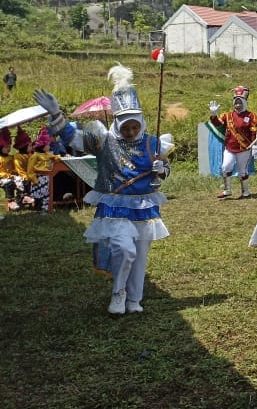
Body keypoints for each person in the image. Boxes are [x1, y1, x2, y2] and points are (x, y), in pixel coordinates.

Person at [34, 66, 173, 315]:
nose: (130, 132)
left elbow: (165, 171)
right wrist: (56, 113)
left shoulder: (153, 143)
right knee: (124, 249)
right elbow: (74, 138)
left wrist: (162, 169)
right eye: (125, 127)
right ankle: (119, 293)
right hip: (115, 206)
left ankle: (134, 299)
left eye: (134, 127)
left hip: (143, 206)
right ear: (118, 124)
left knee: (140, 256)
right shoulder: (105, 141)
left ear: (140, 122)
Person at [209, 86, 257, 199]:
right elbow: (218, 123)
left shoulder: (251, 116)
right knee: (226, 166)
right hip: (230, 147)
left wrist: (255, 146)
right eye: (236, 103)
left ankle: (245, 192)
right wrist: (213, 115)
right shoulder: (227, 115)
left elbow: (253, 132)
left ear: (244, 103)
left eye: (240, 102)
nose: (237, 105)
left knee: (242, 171)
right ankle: (227, 190)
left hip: (244, 148)